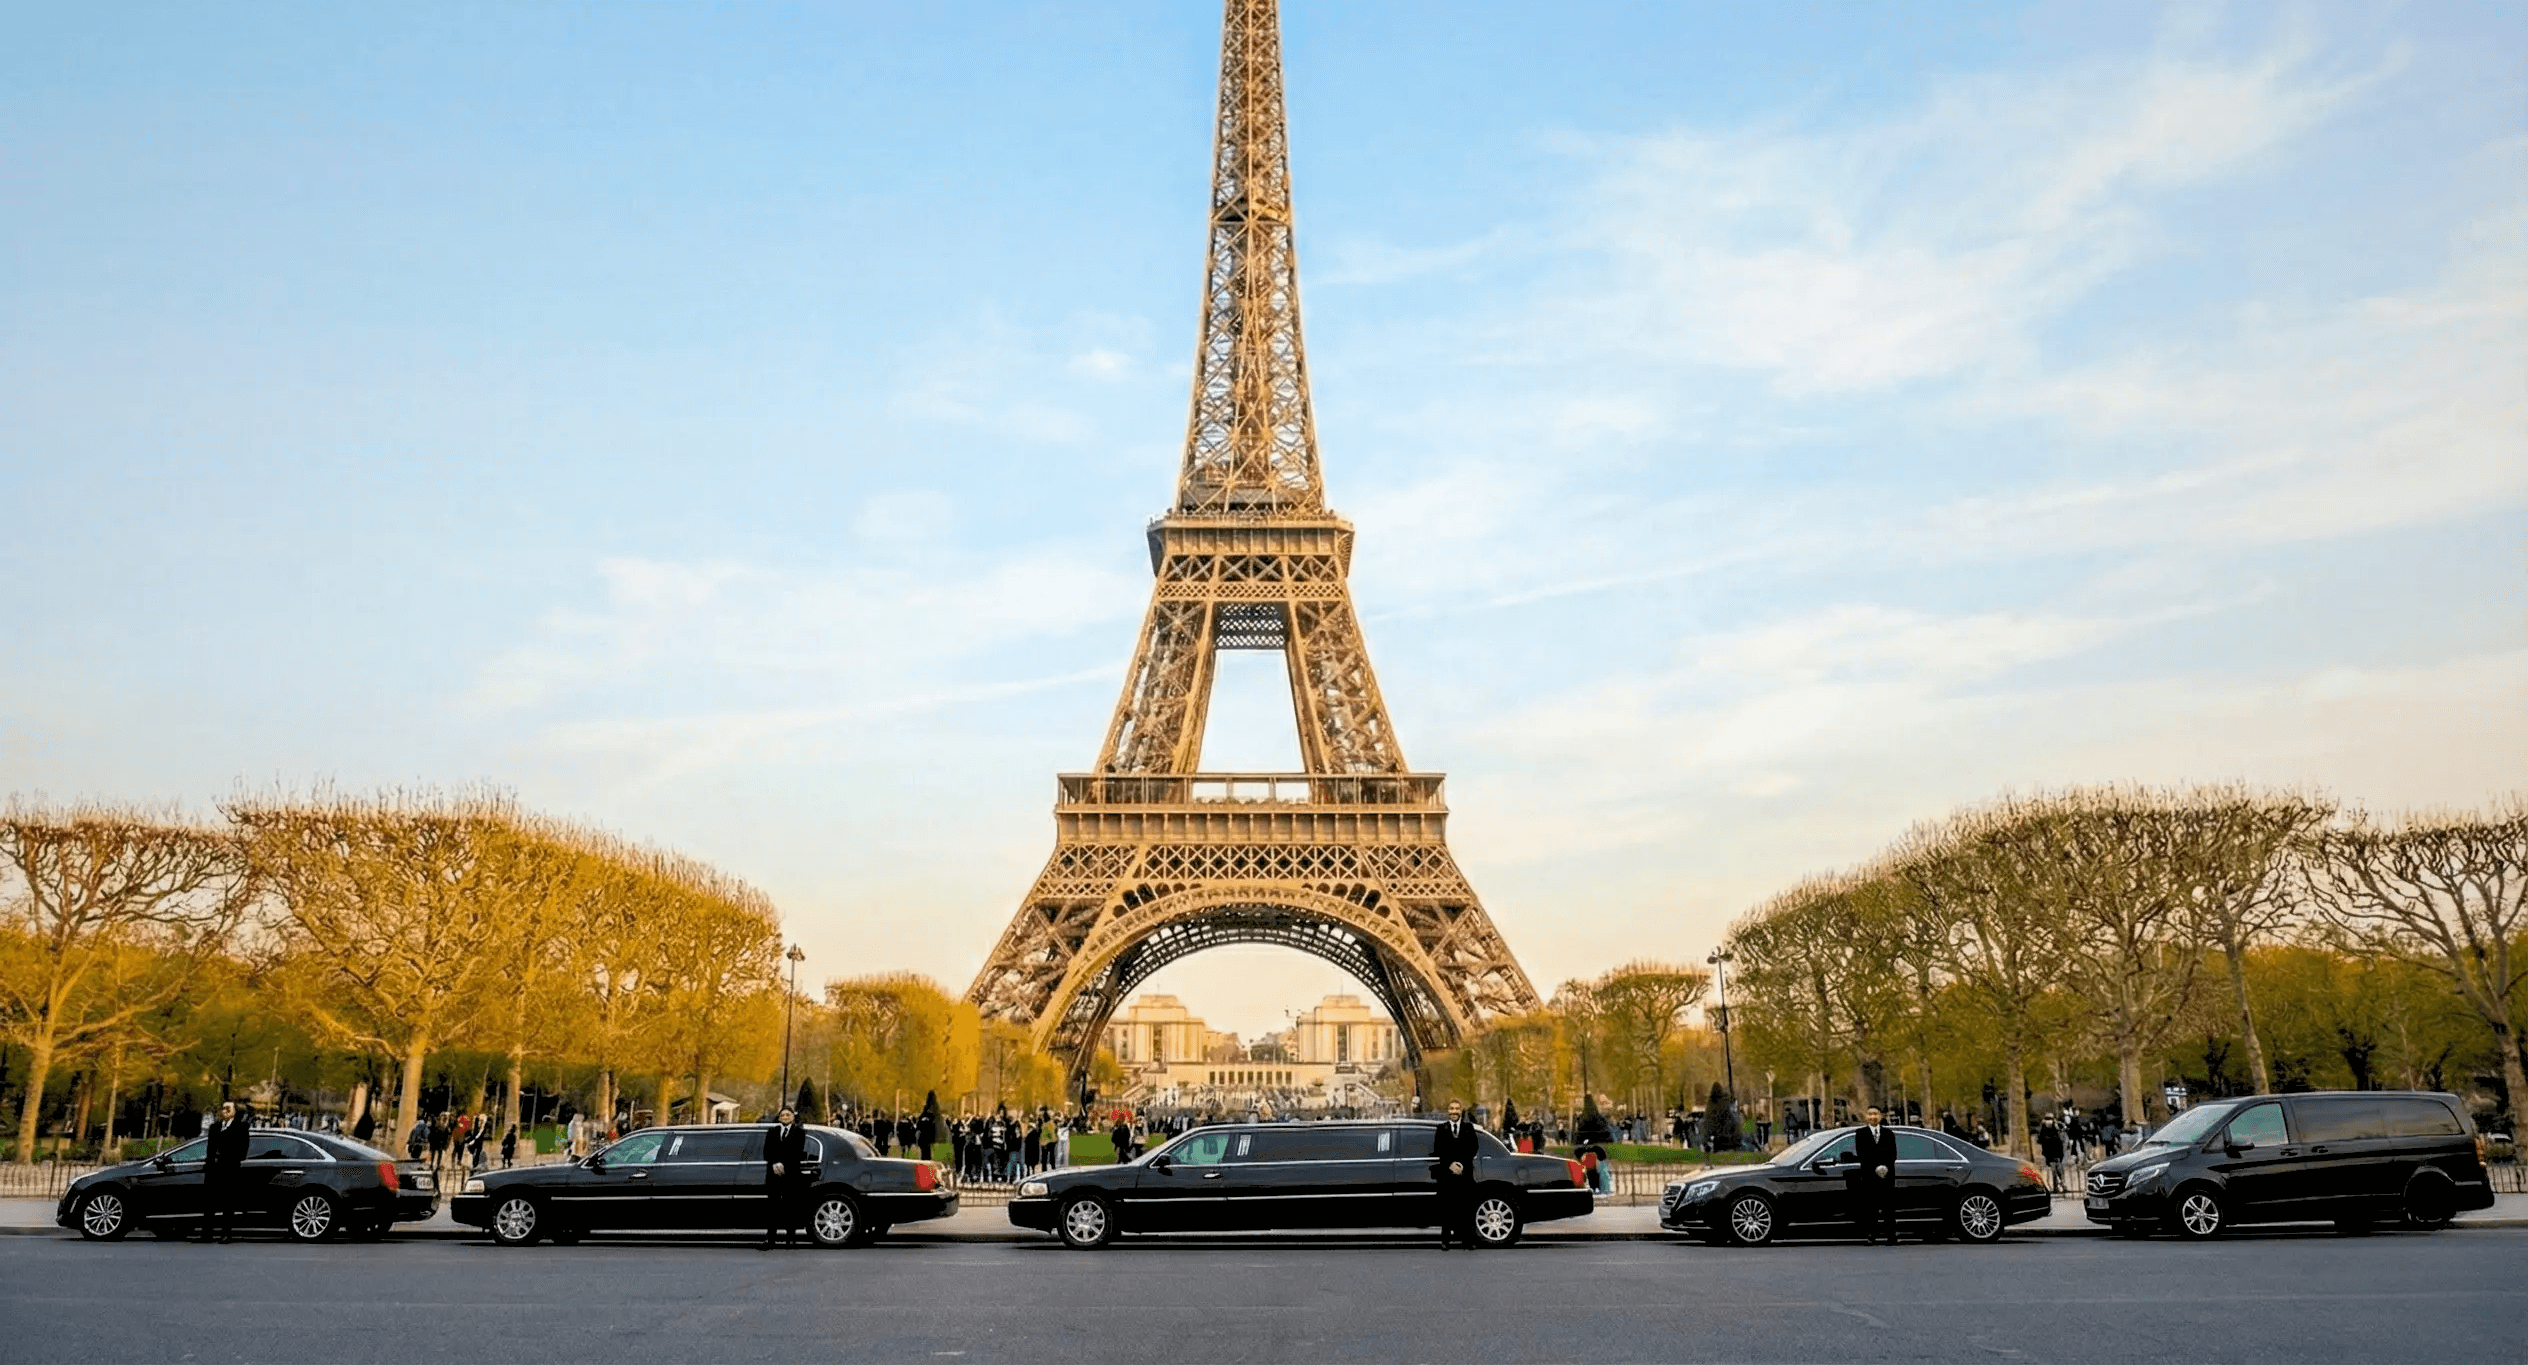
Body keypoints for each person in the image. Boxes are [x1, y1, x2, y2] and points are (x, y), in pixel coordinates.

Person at [1845, 1106, 1900, 1245]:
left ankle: (1891, 1236)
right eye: (1870, 1114)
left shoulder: (1888, 1133)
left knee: (1889, 1208)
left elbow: (1893, 1153)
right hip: (1870, 1176)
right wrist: (1876, 1167)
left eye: (1875, 1114)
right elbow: (1862, 1154)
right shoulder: (1861, 1133)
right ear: (1866, 1116)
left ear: (1880, 1116)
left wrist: (1885, 1167)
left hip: (1887, 1176)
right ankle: (1872, 1235)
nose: (1872, 1117)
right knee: (1871, 1207)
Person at [1432, 1099, 1480, 1250]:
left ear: (1461, 1111)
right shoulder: (1441, 1129)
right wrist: (1450, 1165)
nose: (1454, 1111)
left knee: (1466, 1209)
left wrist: (1462, 1165)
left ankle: (1468, 1241)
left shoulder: (1468, 1127)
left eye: (1456, 1109)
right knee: (1447, 1209)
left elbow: (1473, 1148)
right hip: (1447, 1176)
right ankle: (1445, 1241)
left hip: (1465, 1175)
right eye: (1451, 1108)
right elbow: (1438, 1149)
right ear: (1448, 1111)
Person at [202, 1100, 252, 1243]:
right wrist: (210, 1163)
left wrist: (227, 1158)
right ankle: (207, 1234)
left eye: (228, 1109)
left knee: (227, 1204)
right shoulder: (214, 1127)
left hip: (229, 1170)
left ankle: (225, 1234)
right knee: (209, 1203)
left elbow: (243, 1151)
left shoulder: (241, 1128)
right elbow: (209, 1149)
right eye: (223, 1108)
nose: (224, 1111)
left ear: (235, 1112)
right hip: (213, 1170)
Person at [762, 1106, 810, 1249]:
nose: (785, 1117)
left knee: (790, 1207)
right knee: (772, 1208)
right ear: (779, 1117)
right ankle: (771, 1239)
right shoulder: (772, 1132)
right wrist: (775, 1163)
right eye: (782, 1115)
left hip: (791, 1176)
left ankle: (790, 1239)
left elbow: (797, 1152)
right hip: (774, 1175)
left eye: (788, 1114)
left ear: (792, 1117)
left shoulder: (800, 1133)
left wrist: (784, 1164)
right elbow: (766, 1151)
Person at [2038, 1119, 2067, 1193]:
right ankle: (2061, 1186)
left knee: (2055, 1173)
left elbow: (2040, 1141)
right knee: (2058, 1172)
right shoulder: (2055, 1133)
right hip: (2055, 1156)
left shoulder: (2045, 1135)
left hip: (2051, 1156)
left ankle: (2057, 1187)